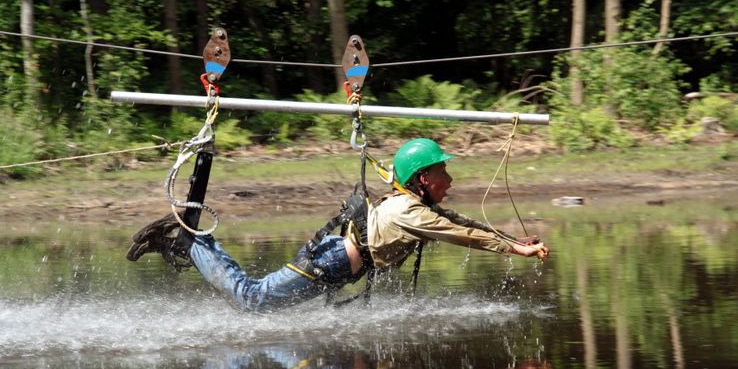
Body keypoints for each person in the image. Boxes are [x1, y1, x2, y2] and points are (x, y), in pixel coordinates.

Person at [127, 138, 549, 312]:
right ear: (423, 179)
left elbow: (460, 221)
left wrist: (512, 239)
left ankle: (195, 242)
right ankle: (193, 241)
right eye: (443, 172)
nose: (450, 180)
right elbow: (463, 234)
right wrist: (515, 250)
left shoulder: (411, 204)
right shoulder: (410, 212)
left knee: (267, 310)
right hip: (329, 262)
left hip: (335, 261)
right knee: (252, 301)